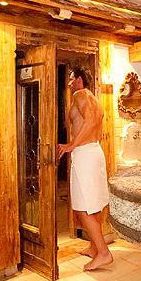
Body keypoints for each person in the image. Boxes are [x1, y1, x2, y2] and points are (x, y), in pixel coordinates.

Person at [57, 67, 113, 270]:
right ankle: (93, 248)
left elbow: (91, 121)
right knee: (94, 204)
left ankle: (104, 253)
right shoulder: (93, 98)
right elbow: (92, 121)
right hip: (93, 151)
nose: (69, 82)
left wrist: (71, 145)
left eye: (71, 78)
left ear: (79, 79)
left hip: (85, 155)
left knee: (82, 207)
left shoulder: (80, 95)